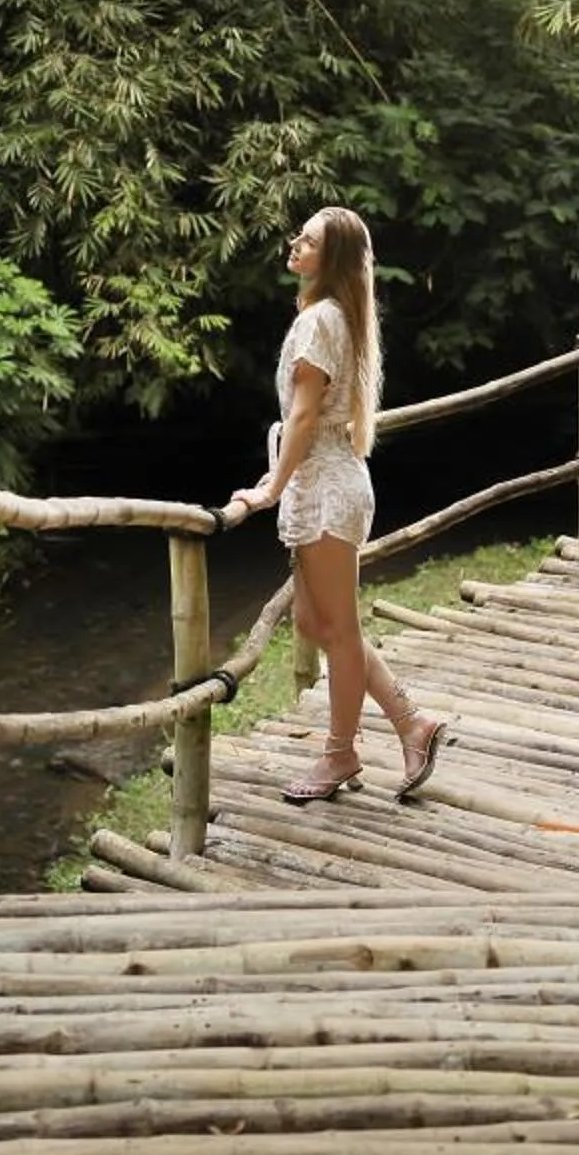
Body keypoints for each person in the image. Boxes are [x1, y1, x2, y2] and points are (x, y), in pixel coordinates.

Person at [219, 206, 450, 803]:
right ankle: (412, 724)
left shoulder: (323, 318)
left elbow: (302, 415)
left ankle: (340, 755)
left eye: (311, 240)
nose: (296, 243)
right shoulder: (328, 314)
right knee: (313, 622)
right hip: (320, 482)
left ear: (334, 258)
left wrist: (270, 486)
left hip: (326, 487)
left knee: (339, 630)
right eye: (300, 234)